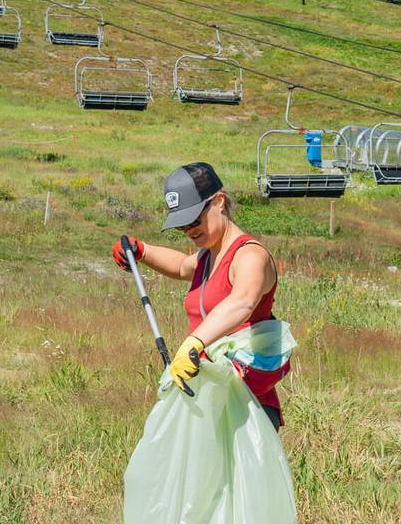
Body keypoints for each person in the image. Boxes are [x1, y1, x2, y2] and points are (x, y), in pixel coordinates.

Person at [112, 162, 289, 429]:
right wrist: (142, 251)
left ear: (218, 201)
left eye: (194, 220)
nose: (189, 230)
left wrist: (195, 342)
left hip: (246, 407)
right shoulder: (208, 255)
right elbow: (183, 266)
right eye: (181, 225)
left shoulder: (250, 255)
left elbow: (242, 301)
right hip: (208, 396)